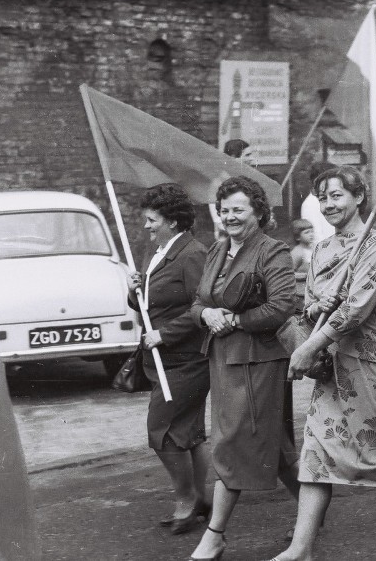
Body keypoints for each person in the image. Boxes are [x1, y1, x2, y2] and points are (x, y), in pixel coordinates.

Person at [272, 166, 376, 561]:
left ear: (358, 198)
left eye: (337, 195)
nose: (328, 205)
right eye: (322, 197)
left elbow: (357, 310)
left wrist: (310, 347)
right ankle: (301, 548)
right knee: (317, 454)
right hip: (332, 371)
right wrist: (314, 306)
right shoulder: (323, 251)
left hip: (373, 368)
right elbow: (309, 308)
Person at [188, 176, 298, 561]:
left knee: (231, 441)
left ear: (258, 212)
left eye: (238, 209)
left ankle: (214, 535)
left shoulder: (273, 250)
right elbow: (196, 303)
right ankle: (312, 512)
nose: (230, 217)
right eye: (225, 210)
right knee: (276, 447)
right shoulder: (217, 250)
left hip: (258, 361)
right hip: (222, 360)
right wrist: (207, 313)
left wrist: (234, 320)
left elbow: (282, 305)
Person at [125, 184, 212, 535]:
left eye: (151, 220)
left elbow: (202, 307)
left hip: (186, 360)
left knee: (160, 431)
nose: (146, 226)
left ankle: (186, 498)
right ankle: (202, 499)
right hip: (165, 361)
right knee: (187, 433)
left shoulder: (193, 254)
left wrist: (166, 334)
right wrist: (135, 290)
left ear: (173, 222)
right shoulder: (160, 251)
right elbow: (151, 305)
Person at [290, 218, 315, 313]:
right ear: (298, 237)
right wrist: (304, 275)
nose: (311, 234)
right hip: (301, 292)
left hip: (312, 289)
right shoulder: (297, 252)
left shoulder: (314, 248)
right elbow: (289, 274)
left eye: (312, 231)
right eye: (307, 232)